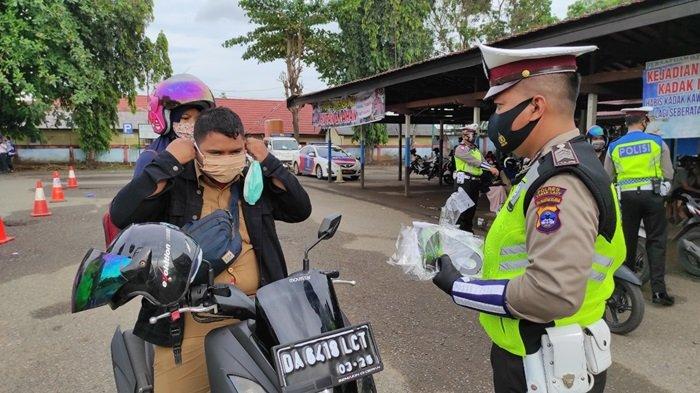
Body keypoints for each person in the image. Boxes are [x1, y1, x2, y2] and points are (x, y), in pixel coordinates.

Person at [433, 44, 625, 392]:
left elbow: (551, 293)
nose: (495, 119)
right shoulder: (549, 167)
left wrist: (461, 287)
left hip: (548, 366)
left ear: (536, 106)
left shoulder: (562, 181)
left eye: (501, 107)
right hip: (540, 352)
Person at [109, 107, 312, 392]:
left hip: (258, 313)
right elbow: (121, 213)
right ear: (196, 150)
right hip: (190, 318)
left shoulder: (254, 182)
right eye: (216, 153)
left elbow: (300, 209)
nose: (227, 160)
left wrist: (269, 161)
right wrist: (168, 161)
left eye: (234, 151)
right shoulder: (176, 183)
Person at [604, 107, 674, 306]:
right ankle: (659, 293)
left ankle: (621, 293)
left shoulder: (614, 146)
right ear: (644, 121)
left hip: (626, 198)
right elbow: (668, 172)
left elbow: (607, 177)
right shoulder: (657, 142)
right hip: (652, 195)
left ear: (626, 123)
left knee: (627, 243)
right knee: (657, 242)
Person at [134, 73, 216, 176]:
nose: (194, 124)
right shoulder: (151, 158)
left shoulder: (203, 152)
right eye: (185, 118)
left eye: (199, 118)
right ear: (167, 120)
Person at [453, 124, 499, 232]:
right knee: (463, 210)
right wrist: (491, 168)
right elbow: (474, 162)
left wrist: (491, 167)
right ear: (466, 136)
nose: (475, 136)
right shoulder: (460, 149)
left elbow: (483, 161)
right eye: (473, 134)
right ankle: (460, 234)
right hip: (464, 183)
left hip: (474, 183)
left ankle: (468, 233)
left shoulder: (475, 150)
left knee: (471, 210)